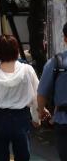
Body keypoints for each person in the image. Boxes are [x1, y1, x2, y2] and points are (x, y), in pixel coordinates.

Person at [0, 34, 39, 161]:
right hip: (21, 118)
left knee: (0, 156)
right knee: (23, 156)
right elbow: (36, 96)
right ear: (16, 49)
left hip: (1, 119)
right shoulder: (27, 70)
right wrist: (36, 118)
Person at [38, 21, 67, 160]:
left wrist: (41, 111)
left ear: (65, 38)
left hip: (63, 122)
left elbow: (42, 94)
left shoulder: (55, 62)